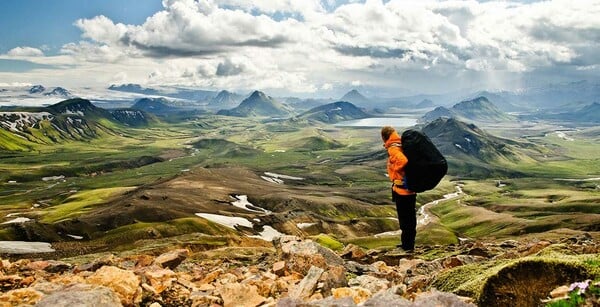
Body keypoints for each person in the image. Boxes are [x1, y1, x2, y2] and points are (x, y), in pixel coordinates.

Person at [381, 126, 417, 252]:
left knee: (405, 219)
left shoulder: (393, 148)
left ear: (384, 137)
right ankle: (407, 244)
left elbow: (403, 160)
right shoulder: (400, 144)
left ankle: (407, 247)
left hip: (403, 191)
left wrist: (395, 169)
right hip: (408, 189)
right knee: (409, 218)